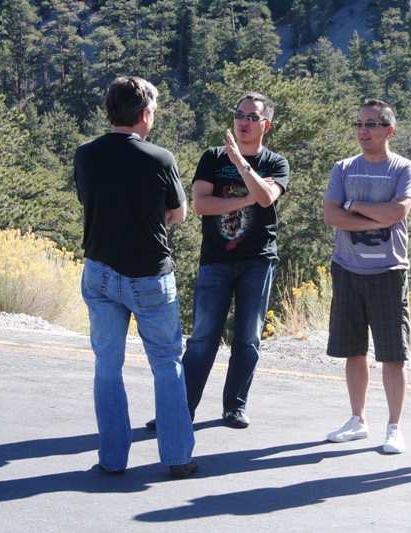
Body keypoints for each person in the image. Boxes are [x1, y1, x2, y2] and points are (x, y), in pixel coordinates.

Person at [74, 76, 198, 479]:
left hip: (99, 269)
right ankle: (177, 457)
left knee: (107, 365)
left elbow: (88, 200)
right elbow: (178, 213)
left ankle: (112, 459)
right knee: (166, 363)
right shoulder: (159, 158)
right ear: (144, 114)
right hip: (149, 275)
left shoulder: (85, 154)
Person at [181, 92, 289, 429]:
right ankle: (180, 410)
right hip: (216, 259)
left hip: (258, 261)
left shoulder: (276, 163)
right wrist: (245, 198)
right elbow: (201, 205)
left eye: (252, 117)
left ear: (265, 125)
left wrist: (241, 164)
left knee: (248, 339)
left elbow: (266, 197)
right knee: (202, 339)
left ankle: (234, 407)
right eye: (239, 114)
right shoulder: (213, 157)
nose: (243, 121)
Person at [323, 98, 411, 454]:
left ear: (389, 130)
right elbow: (331, 216)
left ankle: (394, 427)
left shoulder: (404, 168)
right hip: (347, 269)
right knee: (354, 351)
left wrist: (355, 207)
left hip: (388, 272)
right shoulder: (343, 168)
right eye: (359, 124)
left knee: (393, 354)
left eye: (371, 124)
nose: (363, 131)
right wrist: (377, 217)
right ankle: (357, 420)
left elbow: (398, 212)